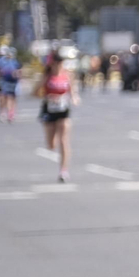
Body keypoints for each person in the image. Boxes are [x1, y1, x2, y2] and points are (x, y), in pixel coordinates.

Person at [35, 54, 77, 182]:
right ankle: (54, 144)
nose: (59, 65)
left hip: (63, 110)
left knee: (64, 140)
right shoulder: (47, 77)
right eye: (56, 63)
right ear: (52, 64)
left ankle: (63, 171)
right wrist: (48, 97)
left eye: (61, 63)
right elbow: (35, 92)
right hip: (49, 110)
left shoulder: (67, 75)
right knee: (51, 144)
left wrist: (74, 98)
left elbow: (73, 92)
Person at [0, 46, 20, 123]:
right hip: (5, 81)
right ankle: (3, 112)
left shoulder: (15, 61)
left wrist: (17, 75)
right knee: (5, 97)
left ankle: (11, 113)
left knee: (12, 98)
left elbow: (19, 71)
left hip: (14, 82)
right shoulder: (2, 61)